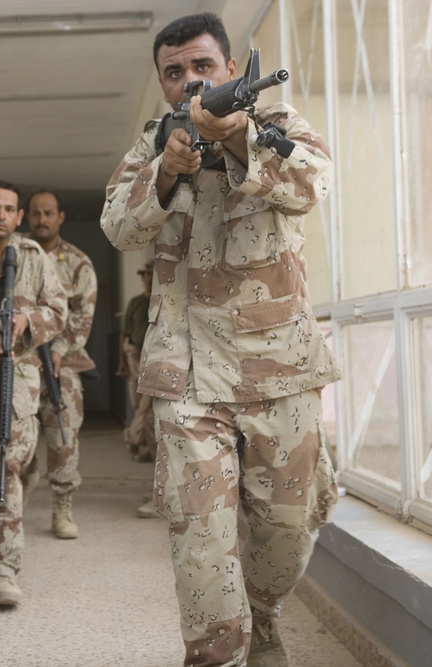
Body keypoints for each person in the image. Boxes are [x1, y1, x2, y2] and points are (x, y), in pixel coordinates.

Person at [100, 12, 341, 667]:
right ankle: (219, 651)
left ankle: (262, 614)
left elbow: (314, 182)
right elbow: (119, 225)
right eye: (173, 72)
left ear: (231, 71)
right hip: (183, 375)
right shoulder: (154, 142)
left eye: (202, 67)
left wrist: (237, 143)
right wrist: (169, 171)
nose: (190, 82)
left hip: (280, 367)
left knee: (286, 531)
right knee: (200, 543)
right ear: (161, 84)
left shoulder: (278, 123)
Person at [0, 180, 66, 607]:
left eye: (10, 209)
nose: (1, 215)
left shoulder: (34, 258)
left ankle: (3, 568)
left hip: (16, 380)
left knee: (6, 467)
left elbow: (58, 312)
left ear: (19, 217)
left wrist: (27, 322)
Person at [21, 190, 97, 539]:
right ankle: (16, 494)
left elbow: (83, 316)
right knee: (13, 433)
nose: (41, 219)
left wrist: (60, 348)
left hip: (60, 362)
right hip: (19, 358)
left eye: (48, 213)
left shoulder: (78, 262)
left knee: (63, 432)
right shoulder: (15, 254)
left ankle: (62, 507)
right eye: (35, 213)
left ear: (60, 217)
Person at [118, 261, 156, 466]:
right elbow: (125, 333)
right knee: (138, 404)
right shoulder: (135, 302)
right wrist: (121, 362)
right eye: (146, 275)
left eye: (152, 274)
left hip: (153, 356)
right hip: (134, 354)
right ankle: (142, 445)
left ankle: (131, 438)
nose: (149, 278)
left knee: (146, 406)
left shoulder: (162, 300)